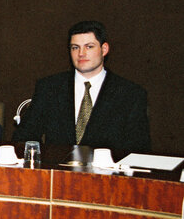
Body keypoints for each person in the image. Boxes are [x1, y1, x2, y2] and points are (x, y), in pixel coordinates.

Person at [13, 21, 150, 156]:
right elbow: (24, 136)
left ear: (104, 49)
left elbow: (139, 149)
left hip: (107, 176)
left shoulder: (130, 94)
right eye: (75, 47)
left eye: (89, 47)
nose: (81, 53)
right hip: (57, 173)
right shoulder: (49, 88)